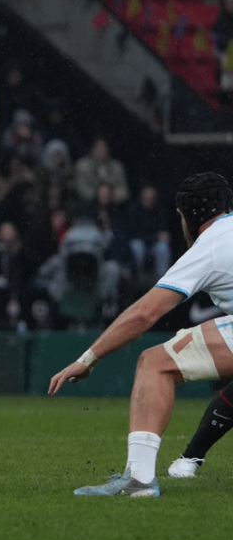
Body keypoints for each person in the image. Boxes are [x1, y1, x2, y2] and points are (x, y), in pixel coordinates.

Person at [48, 172, 233, 498]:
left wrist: (88, 358)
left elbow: (143, 314)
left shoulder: (210, 246)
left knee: (154, 363)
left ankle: (140, 479)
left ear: (188, 217)